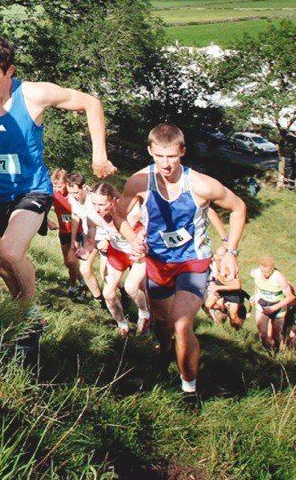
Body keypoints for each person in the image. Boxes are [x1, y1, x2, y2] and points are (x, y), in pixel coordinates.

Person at [0, 35, 115, 333]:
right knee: (3, 266)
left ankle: (29, 318)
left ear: (10, 71)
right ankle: (24, 311)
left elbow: (91, 103)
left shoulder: (33, 95)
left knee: (11, 253)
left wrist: (99, 155)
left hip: (33, 189)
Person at [116, 124, 247, 407]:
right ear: (150, 151)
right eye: (159, 156)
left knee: (181, 323)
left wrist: (231, 250)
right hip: (158, 263)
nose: (165, 164)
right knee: (162, 324)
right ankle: (164, 354)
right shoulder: (139, 181)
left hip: (193, 262)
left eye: (172, 157)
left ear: (182, 152)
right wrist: (132, 240)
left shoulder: (201, 185)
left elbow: (238, 208)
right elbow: (118, 214)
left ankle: (190, 389)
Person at [82, 181, 150, 336]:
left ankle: (145, 314)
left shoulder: (131, 210)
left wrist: (142, 235)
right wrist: (86, 249)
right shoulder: (92, 213)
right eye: (94, 203)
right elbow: (91, 235)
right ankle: (122, 326)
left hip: (137, 252)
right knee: (108, 293)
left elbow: (152, 223)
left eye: (101, 204)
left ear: (113, 201)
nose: (97, 208)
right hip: (117, 251)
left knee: (131, 287)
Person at [66, 173, 105, 307]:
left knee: (105, 274)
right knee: (85, 269)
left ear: (84, 187)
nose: (74, 195)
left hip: (104, 236)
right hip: (89, 237)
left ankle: (122, 293)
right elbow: (75, 216)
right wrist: (73, 239)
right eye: (71, 192)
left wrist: (107, 238)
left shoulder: (92, 200)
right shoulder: (72, 198)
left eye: (76, 192)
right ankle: (99, 300)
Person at [250, 256, 296, 352]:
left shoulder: (279, 277)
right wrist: (256, 294)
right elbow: (257, 284)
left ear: (272, 268)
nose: (265, 274)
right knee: (262, 334)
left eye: (267, 272)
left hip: (278, 307)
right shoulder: (255, 273)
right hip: (262, 305)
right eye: (262, 271)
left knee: (276, 336)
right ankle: (268, 354)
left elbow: (290, 297)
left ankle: (276, 352)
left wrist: (274, 308)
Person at [49, 169, 84, 295]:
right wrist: (48, 222)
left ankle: (73, 286)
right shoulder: (53, 194)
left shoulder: (73, 195)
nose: (57, 188)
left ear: (66, 184)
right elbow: (43, 207)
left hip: (78, 231)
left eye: (60, 185)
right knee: (67, 262)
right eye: (54, 185)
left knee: (72, 261)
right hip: (63, 231)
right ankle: (82, 282)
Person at [204, 246, 247, 329]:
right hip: (220, 285)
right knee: (208, 304)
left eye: (220, 255)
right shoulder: (215, 259)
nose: (217, 257)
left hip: (232, 291)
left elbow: (237, 286)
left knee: (233, 316)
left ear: (225, 257)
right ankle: (223, 309)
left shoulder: (231, 267)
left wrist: (217, 288)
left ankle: (238, 331)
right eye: (217, 254)